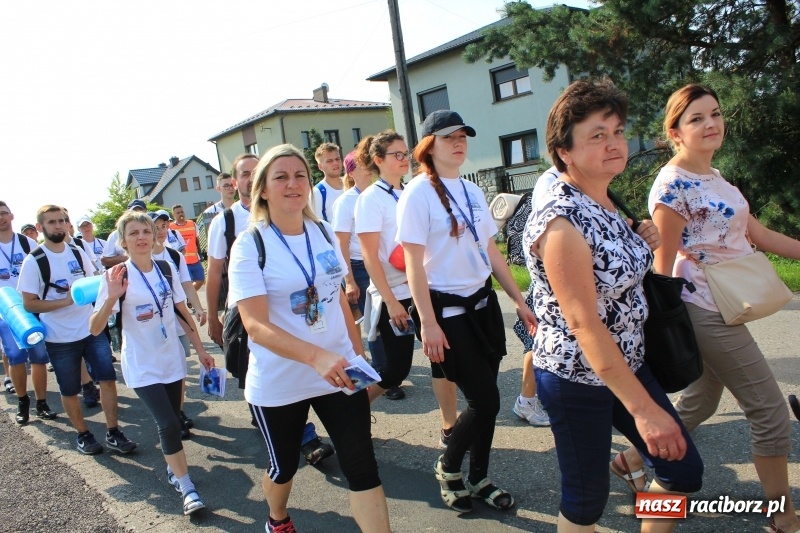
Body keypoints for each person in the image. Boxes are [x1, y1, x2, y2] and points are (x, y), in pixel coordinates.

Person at [524, 79, 703, 532]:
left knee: (682, 471)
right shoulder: (561, 221)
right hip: (576, 375)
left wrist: (641, 237)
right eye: (597, 135)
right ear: (564, 152)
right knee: (586, 501)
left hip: (629, 360)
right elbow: (584, 323)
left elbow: (614, 267)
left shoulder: (603, 197)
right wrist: (644, 411)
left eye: (618, 131)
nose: (614, 144)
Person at [620, 83, 800, 533]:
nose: (711, 123)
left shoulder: (717, 178)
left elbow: (759, 234)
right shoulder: (672, 184)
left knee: (699, 403)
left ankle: (629, 460)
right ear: (674, 131)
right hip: (702, 305)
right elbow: (662, 263)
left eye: (715, 114)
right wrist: (662, 327)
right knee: (769, 411)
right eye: (696, 118)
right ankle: (782, 516)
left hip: (726, 302)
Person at [228, 144, 390, 533]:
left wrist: (356, 355)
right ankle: (277, 517)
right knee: (283, 467)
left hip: (337, 370)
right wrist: (316, 357)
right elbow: (255, 325)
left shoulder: (322, 231)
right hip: (280, 380)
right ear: (263, 189)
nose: (293, 184)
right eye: (281, 177)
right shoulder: (250, 244)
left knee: (362, 467)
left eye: (300, 175)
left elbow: (337, 300)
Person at [397, 110, 537, 513]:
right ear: (429, 146)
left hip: (483, 305)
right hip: (447, 312)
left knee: (485, 402)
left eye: (463, 136)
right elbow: (412, 265)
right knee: (485, 401)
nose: (459, 143)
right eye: (449, 137)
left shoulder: (472, 191)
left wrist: (518, 299)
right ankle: (449, 466)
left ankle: (479, 476)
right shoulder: (417, 194)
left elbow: (491, 251)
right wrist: (427, 322)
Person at [205, 153, 332, 464]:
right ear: (236, 182)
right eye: (244, 173)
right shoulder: (226, 221)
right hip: (247, 312)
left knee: (299, 365)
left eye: (255, 171)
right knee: (256, 372)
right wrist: (213, 316)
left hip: (293, 308)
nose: (250, 177)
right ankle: (293, 434)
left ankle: (301, 429)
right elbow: (214, 270)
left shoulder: (294, 211)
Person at [89, 211, 215, 516]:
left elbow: (181, 311)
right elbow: (94, 328)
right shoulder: (116, 275)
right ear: (123, 241)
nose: (142, 237)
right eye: (133, 233)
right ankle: (186, 486)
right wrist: (112, 298)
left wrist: (200, 349)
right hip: (142, 363)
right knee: (168, 423)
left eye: (145, 231)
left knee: (174, 420)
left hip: (171, 357)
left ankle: (174, 468)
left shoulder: (165, 268)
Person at [18, 205, 137, 455]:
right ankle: (83, 435)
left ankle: (114, 432)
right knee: (70, 389)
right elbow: (28, 303)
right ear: (40, 227)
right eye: (52, 222)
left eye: (62, 220)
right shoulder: (34, 260)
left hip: (90, 329)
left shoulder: (77, 250)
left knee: (107, 380)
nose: (58, 225)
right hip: (59, 337)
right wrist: (66, 301)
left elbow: (95, 281)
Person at [354, 131, 414, 402]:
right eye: (396, 154)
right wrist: (391, 301)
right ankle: (358, 409)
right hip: (395, 293)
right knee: (395, 370)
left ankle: (448, 420)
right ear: (378, 160)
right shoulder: (370, 199)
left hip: (423, 287)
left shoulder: (411, 191)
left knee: (445, 357)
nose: (404, 158)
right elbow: (369, 256)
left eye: (405, 153)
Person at [151, 211, 208, 438]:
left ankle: (177, 411)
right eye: (155, 227)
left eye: (164, 226)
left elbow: (186, 286)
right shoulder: (142, 258)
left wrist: (199, 308)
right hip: (154, 328)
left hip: (178, 323)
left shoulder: (174, 256)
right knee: (162, 371)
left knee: (179, 369)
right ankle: (168, 415)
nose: (161, 231)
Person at [331, 148, 387, 374]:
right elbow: (341, 243)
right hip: (360, 267)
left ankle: (392, 366)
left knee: (389, 316)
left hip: (384, 264)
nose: (369, 169)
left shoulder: (378, 194)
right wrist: (349, 280)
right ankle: (383, 372)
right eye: (363, 165)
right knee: (375, 320)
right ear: (351, 173)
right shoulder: (345, 202)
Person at [0, 201, 57, 423]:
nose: (1, 218)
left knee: (39, 357)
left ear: (11, 215)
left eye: (4, 213)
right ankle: (23, 402)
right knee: (15, 357)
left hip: (30, 307)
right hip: (6, 312)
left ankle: (42, 403)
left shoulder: (28, 243)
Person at [102, 199, 148, 268]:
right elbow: (104, 260)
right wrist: (127, 257)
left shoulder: (152, 231)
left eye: (140, 212)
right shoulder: (116, 235)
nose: (137, 215)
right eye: (134, 212)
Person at [170, 205, 204, 291]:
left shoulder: (192, 224)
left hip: (195, 260)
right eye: (178, 213)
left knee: (201, 280)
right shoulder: (171, 227)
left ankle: (188, 296)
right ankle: (189, 296)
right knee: (188, 283)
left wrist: (200, 254)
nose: (180, 214)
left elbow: (197, 240)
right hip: (182, 262)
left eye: (182, 212)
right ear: (173, 215)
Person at [311, 142, 344, 223]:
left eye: (337, 159)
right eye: (329, 161)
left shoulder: (350, 185)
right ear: (320, 167)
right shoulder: (318, 192)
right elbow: (316, 224)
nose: (335, 163)